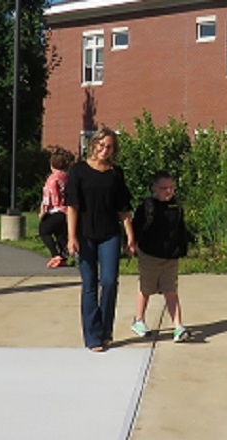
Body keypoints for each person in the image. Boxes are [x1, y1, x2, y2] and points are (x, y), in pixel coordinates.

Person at [66, 128, 136, 352]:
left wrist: (130, 237)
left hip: (110, 235)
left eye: (110, 147)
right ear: (94, 144)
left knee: (109, 282)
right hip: (85, 235)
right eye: (102, 145)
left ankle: (105, 331)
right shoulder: (78, 171)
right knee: (89, 285)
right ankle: (93, 337)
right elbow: (72, 206)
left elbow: (123, 209)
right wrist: (71, 237)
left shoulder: (116, 173)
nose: (105, 150)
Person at [130, 171, 190, 342]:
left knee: (171, 290)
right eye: (164, 188)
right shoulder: (146, 207)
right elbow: (136, 228)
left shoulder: (176, 206)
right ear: (154, 188)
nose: (168, 191)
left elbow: (180, 229)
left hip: (170, 256)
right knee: (146, 288)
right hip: (150, 255)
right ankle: (139, 320)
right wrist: (132, 245)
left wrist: (182, 248)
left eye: (171, 187)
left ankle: (178, 327)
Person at [39, 146, 74, 268]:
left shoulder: (52, 179)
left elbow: (49, 196)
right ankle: (64, 256)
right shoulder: (67, 177)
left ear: (52, 165)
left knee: (44, 231)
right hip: (66, 211)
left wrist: (43, 211)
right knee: (61, 235)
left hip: (55, 209)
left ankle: (55, 255)